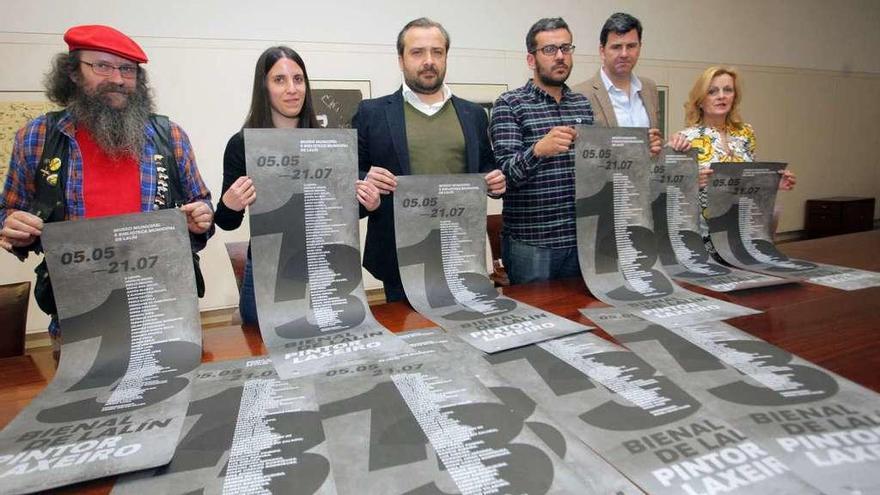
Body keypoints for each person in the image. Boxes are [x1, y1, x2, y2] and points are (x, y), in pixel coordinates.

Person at [0, 24, 213, 354]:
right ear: (72, 72)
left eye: (127, 69)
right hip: (78, 320)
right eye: (102, 66)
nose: (117, 78)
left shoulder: (169, 136)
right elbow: (8, 212)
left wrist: (202, 216)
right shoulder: (37, 137)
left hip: (164, 316)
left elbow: (200, 203)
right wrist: (12, 225)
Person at [215, 46, 381, 325]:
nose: (292, 89)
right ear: (263, 87)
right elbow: (227, 222)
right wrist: (230, 204)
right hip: (269, 271)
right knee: (265, 344)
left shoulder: (329, 143)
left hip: (327, 264)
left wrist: (369, 204)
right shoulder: (242, 145)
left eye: (298, 79)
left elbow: (344, 211)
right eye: (279, 80)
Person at [355, 17, 506, 302]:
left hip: (461, 251)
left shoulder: (473, 114)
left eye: (437, 52)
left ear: (446, 56)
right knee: (412, 340)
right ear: (400, 60)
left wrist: (494, 179)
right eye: (417, 52)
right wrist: (365, 179)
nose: (429, 60)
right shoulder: (371, 113)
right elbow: (351, 173)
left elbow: (486, 165)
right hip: (400, 257)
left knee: (467, 330)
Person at [668, 66, 797, 252]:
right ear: (701, 100)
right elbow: (671, 193)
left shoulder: (746, 133)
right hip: (703, 235)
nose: (721, 96)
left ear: (734, 96)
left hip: (743, 231)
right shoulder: (684, 138)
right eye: (712, 91)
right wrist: (692, 182)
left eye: (727, 90)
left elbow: (749, 179)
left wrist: (773, 182)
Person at [572, 12, 663, 149]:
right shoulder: (579, 94)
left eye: (631, 46)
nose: (624, 54)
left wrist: (659, 145)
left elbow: (656, 140)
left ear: (639, 48)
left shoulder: (649, 88)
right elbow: (580, 152)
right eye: (616, 47)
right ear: (602, 51)